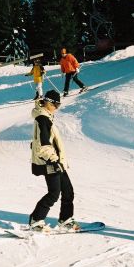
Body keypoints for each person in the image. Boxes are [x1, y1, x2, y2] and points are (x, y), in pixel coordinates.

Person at [28, 89, 80, 232]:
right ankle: (36, 219)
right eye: (56, 104)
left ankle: (65, 219)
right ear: (48, 102)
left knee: (68, 191)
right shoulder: (42, 119)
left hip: (57, 161)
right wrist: (53, 160)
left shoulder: (47, 117)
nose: (57, 107)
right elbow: (43, 144)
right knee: (54, 193)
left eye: (58, 105)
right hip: (50, 162)